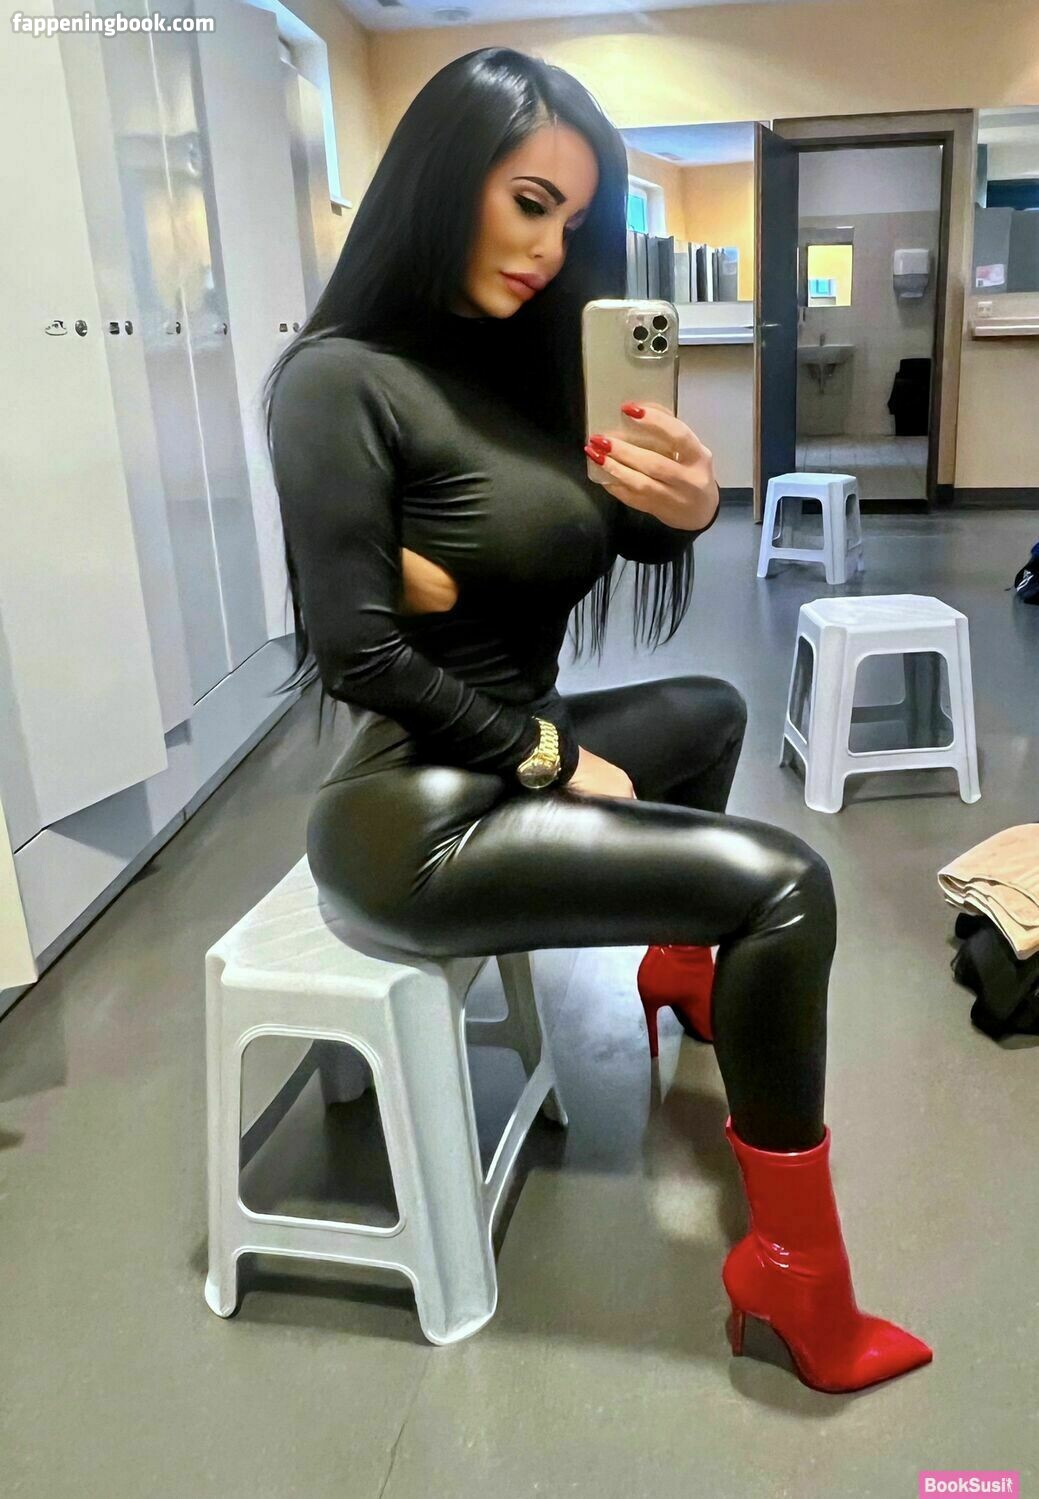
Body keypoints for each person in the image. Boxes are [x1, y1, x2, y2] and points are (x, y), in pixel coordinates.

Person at [264, 46, 932, 1394]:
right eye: (528, 204)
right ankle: (795, 1278)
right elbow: (356, 651)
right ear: (441, 182)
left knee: (710, 712)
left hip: (506, 743)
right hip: (413, 818)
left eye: (573, 222)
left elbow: (571, 540)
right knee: (788, 887)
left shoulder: (517, 377)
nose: (549, 248)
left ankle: (680, 969)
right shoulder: (340, 380)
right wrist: (550, 756)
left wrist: (681, 512)